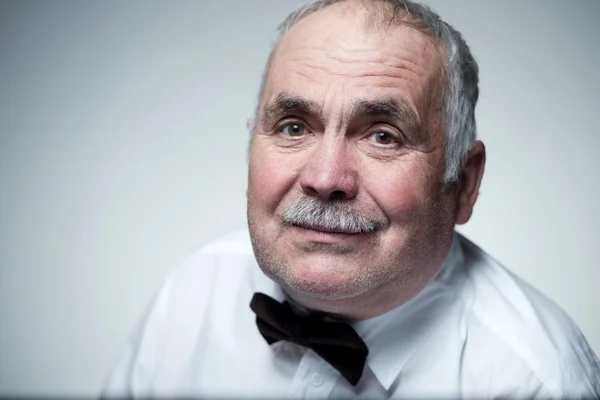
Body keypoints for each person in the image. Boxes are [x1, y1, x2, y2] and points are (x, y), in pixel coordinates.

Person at [101, 0, 600, 398]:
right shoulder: (194, 291)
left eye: (383, 136)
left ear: (464, 183)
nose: (324, 177)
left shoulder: (535, 380)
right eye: (294, 127)